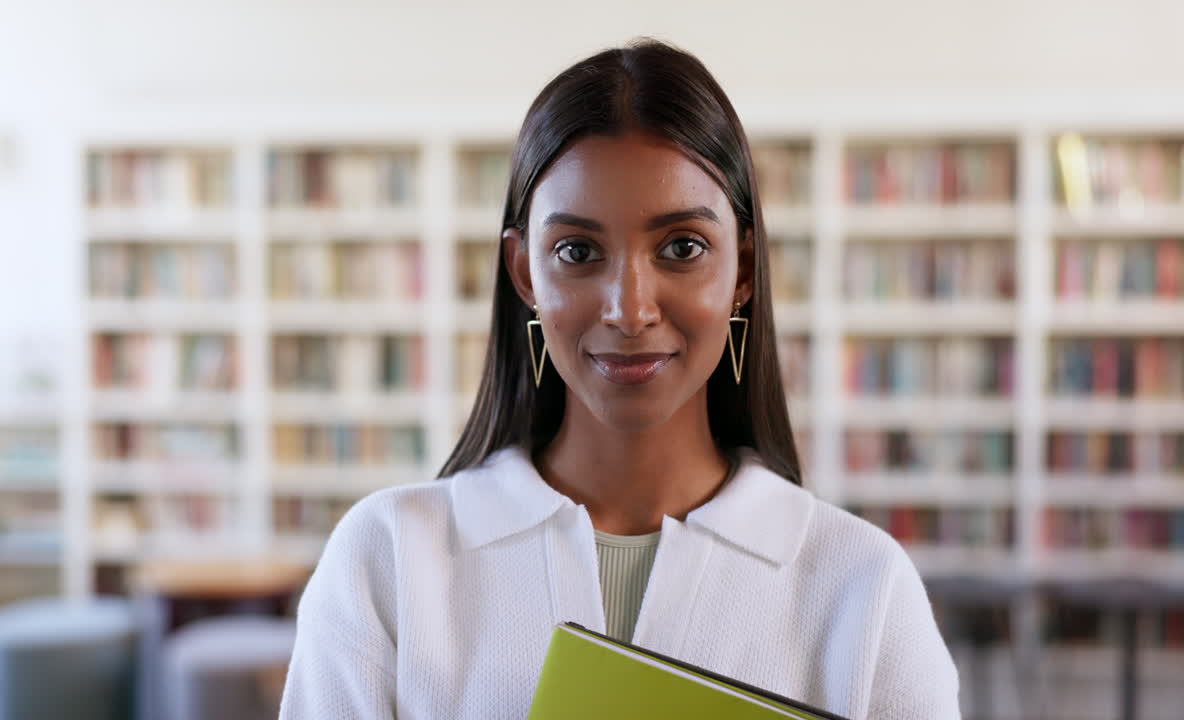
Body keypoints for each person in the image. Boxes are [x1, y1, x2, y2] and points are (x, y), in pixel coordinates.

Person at [279, 37, 961, 719]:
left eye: (682, 248)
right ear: (524, 275)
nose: (629, 309)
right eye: (577, 251)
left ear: (744, 270)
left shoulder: (862, 588)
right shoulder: (388, 562)